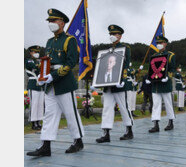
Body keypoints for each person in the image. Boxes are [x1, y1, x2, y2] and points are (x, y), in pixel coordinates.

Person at [27, 9, 84, 156]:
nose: (51, 24)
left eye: (54, 21)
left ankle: (78, 141)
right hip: (50, 85)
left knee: (71, 114)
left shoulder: (69, 40)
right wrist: (42, 76)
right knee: (49, 115)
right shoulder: (49, 41)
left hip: (64, 83)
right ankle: (46, 145)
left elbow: (71, 62)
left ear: (62, 23)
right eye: (49, 21)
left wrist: (53, 76)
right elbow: (46, 63)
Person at [96, 24, 134, 143]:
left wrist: (122, 80)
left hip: (119, 84)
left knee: (124, 107)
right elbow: (103, 66)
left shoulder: (125, 48)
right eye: (111, 34)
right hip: (108, 84)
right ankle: (106, 133)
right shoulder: (108, 50)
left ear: (120, 36)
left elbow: (126, 65)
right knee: (107, 108)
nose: (112, 36)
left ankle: (129, 130)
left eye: (115, 34)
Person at [146, 36, 176, 133]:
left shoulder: (170, 55)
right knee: (156, 105)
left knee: (168, 104)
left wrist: (168, 76)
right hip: (156, 85)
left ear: (165, 44)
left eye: (161, 43)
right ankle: (156, 124)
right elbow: (151, 69)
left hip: (165, 84)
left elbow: (173, 69)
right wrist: (149, 78)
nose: (159, 44)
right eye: (157, 43)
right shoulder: (154, 56)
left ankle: (170, 122)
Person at [25, 45, 44, 130]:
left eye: (38, 52)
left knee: (40, 104)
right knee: (34, 104)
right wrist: (41, 65)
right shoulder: (28, 60)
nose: (37, 54)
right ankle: (33, 122)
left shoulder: (38, 61)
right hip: (33, 84)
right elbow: (33, 66)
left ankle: (38, 121)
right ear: (31, 52)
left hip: (40, 85)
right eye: (35, 52)